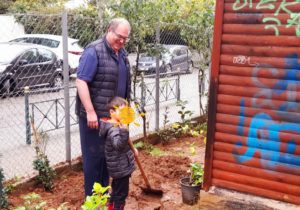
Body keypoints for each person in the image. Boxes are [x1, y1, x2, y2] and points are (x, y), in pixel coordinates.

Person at [75, 17, 131, 196]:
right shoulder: (94, 51)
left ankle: (103, 196)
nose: (121, 41)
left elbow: (125, 86)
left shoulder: (122, 53)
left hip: (113, 119)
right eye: (119, 36)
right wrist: (90, 112)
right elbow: (81, 81)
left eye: (125, 38)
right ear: (109, 30)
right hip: (94, 119)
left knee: (109, 159)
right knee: (94, 161)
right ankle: (92, 202)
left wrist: (125, 115)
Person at [99, 96, 137, 210]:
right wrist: (124, 130)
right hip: (120, 169)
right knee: (121, 194)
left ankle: (111, 207)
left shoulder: (115, 124)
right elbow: (119, 146)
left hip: (118, 168)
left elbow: (124, 142)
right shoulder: (113, 129)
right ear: (112, 112)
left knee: (116, 190)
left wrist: (133, 149)